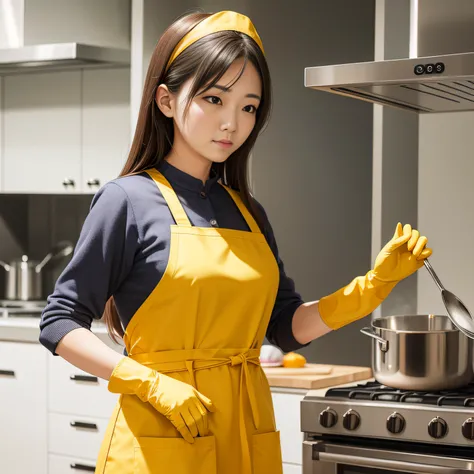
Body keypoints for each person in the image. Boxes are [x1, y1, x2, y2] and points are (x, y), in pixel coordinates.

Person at [38, 10, 432, 474]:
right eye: (214, 98)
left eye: (248, 106)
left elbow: (284, 327)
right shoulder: (126, 199)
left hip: (245, 430)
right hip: (163, 431)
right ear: (165, 100)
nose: (232, 123)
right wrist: (148, 383)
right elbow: (59, 322)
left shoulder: (247, 211)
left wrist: (370, 288)